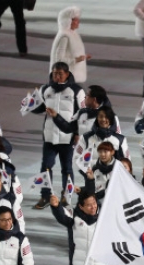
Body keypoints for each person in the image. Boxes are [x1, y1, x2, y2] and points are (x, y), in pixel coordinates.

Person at [31, 62, 85, 209]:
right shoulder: (45, 89)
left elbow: (83, 114)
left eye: (60, 74)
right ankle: (45, 196)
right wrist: (32, 101)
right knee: (45, 167)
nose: (57, 76)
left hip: (67, 137)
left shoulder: (77, 91)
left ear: (67, 74)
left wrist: (78, 133)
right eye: (55, 73)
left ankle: (66, 196)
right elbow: (38, 109)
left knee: (67, 168)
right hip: (49, 136)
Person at [54, 85, 122, 138]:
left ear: (94, 99)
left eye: (87, 95)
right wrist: (56, 116)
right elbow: (68, 128)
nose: (85, 97)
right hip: (84, 152)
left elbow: (116, 137)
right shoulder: (82, 113)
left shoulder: (110, 116)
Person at [51, 7, 89, 83]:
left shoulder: (73, 34)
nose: (79, 21)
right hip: (68, 79)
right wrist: (76, 60)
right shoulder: (64, 37)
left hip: (74, 77)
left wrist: (83, 57)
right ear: (68, 21)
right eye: (76, 19)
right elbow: (59, 60)